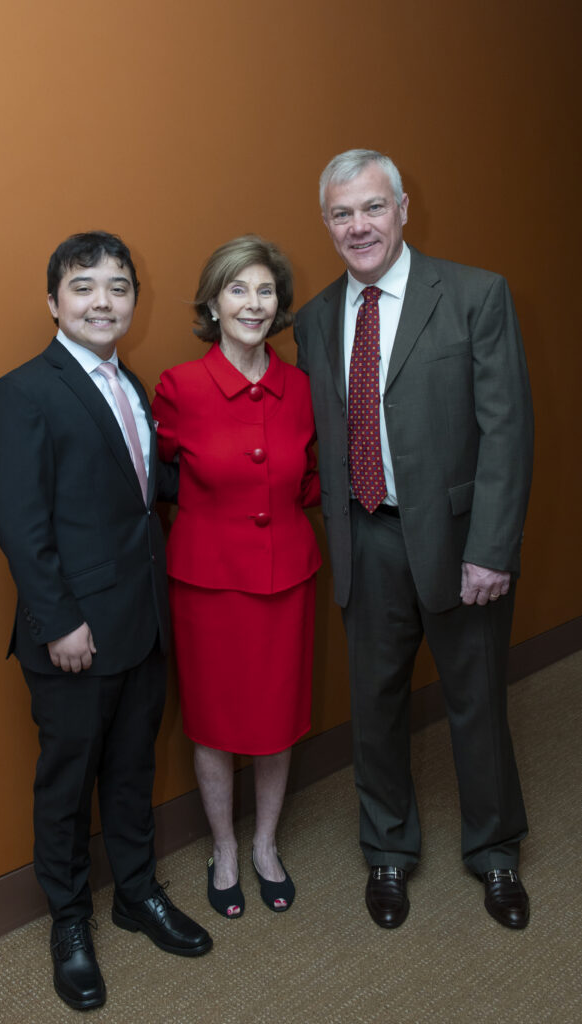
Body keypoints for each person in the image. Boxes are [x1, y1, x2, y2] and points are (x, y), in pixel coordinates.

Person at [294, 150, 534, 930]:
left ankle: (493, 850)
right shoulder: (315, 320)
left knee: (476, 701)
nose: (357, 226)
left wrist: (491, 548)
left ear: (401, 209)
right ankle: (387, 849)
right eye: (341, 213)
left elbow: (506, 432)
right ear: (326, 224)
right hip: (365, 539)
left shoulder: (473, 295)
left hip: (461, 545)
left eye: (372, 207)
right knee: (374, 706)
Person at [0, 231, 211, 1012]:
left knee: (131, 769)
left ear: (133, 302)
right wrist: (58, 623)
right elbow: (21, 525)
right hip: (73, 634)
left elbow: (141, 490)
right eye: (83, 287)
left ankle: (137, 893)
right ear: (53, 302)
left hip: (142, 619)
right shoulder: (22, 392)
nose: (102, 301)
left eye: (117, 287)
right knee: (67, 784)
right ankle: (70, 921)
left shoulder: (129, 382)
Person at [152, 235, 321, 918]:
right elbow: (155, 478)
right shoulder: (178, 388)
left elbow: (311, 478)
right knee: (214, 724)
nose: (253, 304)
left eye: (265, 291)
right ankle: (224, 848)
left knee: (277, 720)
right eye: (238, 289)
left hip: (287, 580)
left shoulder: (302, 387)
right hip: (207, 586)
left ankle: (264, 845)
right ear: (213, 304)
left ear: (279, 304)